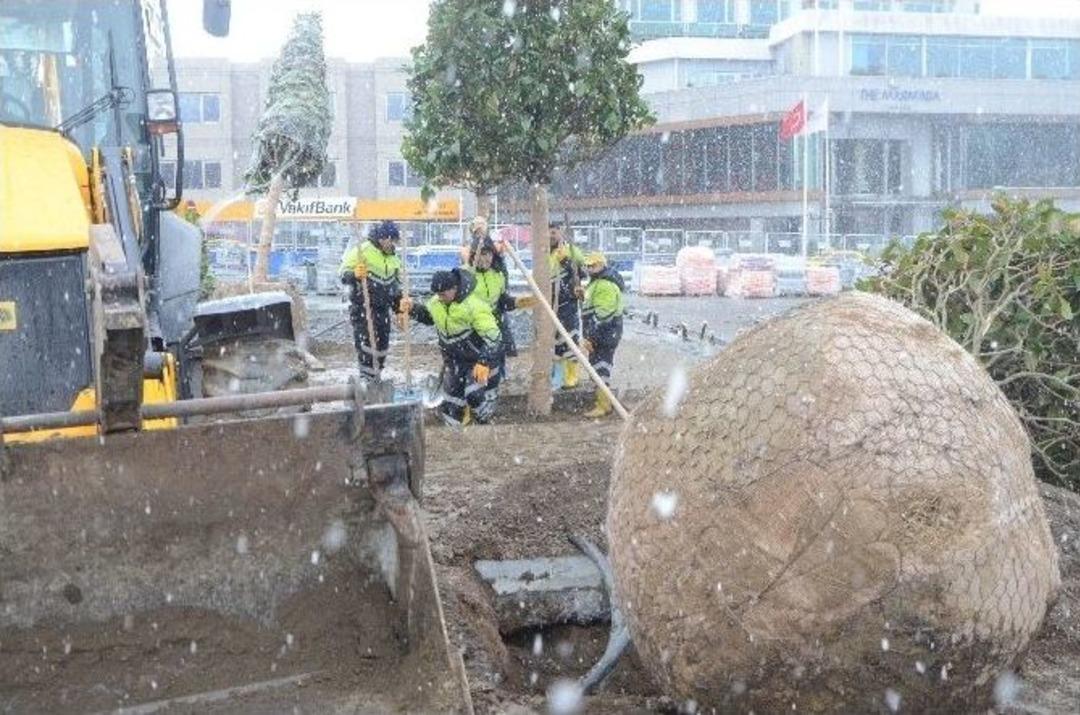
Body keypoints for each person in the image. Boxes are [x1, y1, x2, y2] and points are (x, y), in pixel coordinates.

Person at [411, 268, 504, 427]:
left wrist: (484, 361)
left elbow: (495, 339)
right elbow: (428, 317)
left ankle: (485, 424)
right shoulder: (436, 302)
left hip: (476, 361)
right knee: (450, 405)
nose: (439, 298)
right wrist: (412, 309)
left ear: (454, 289)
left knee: (473, 395)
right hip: (454, 362)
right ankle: (454, 434)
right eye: (437, 294)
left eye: (443, 294)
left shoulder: (474, 307)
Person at [338, 220, 404, 382]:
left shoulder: (393, 258)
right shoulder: (362, 250)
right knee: (366, 343)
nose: (394, 244)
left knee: (382, 344)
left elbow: (395, 286)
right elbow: (342, 274)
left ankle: (376, 374)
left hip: (383, 309)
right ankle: (366, 377)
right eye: (392, 240)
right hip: (364, 307)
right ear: (383, 238)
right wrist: (354, 274)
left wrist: (399, 309)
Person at [580, 252, 625, 418]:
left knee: (601, 368)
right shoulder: (597, 283)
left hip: (605, 334)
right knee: (598, 367)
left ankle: (604, 404)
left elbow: (603, 316)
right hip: (605, 334)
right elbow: (592, 304)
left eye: (593, 265)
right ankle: (603, 402)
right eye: (588, 266)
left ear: (602, 265)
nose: (590, 269)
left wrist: (591, 337)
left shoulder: (604, 284)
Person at [548, 222, 586, 388]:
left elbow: (582, 273)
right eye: (548, 233)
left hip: (567, 302)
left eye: (554, 232)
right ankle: (558, 376)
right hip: (549, 303)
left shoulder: (572, 251)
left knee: (570, 339)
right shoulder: (543, 253)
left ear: (561, 234)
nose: (550, 236)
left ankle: (572, 376)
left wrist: (567, 262)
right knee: (554, 341)